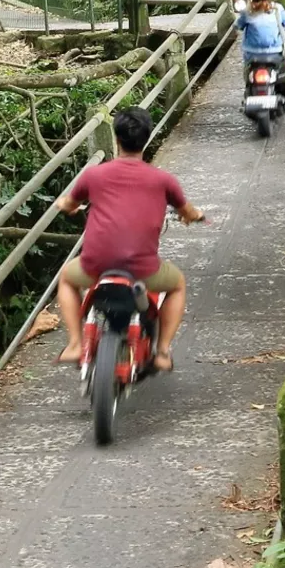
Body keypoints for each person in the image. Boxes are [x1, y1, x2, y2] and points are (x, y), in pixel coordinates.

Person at [55, 106, 203, 372]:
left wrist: (65, 205)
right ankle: (162, 351)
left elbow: (69, 202)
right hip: (143, 270)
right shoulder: (163, 180)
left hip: (95, 266)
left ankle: (76, 343)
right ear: (146, 139)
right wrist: (195, 215)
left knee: (66, 278)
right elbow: (187, 211)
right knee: (178, 284)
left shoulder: (93, 175)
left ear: (117, 139)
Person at [235, 0, 285, 97]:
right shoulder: (277, 9)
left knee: (247, 66)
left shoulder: (247, 12)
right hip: (274, 53)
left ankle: (249, 84)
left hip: (252, 55)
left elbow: (237, 26)